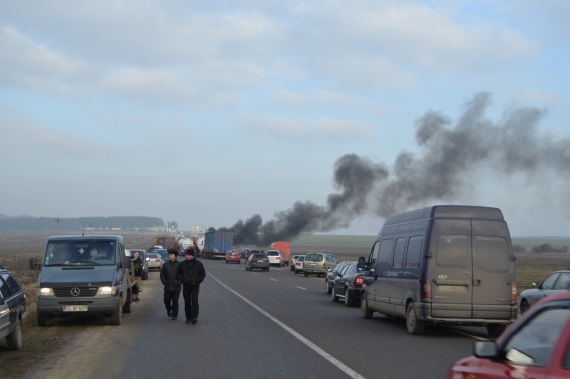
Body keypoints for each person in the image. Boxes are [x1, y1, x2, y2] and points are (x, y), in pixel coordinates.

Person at [176, 248, 206, 324]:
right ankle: (188, 317)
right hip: (186, 286)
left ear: (193, 256)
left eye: (189, 255)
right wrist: (182, 280)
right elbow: (178, 273)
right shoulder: (182, 264)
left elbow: (202, 274)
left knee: (195, 301)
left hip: (195, 286)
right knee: (187, 302)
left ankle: (194, 317)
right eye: (187, 255)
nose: (187, 257)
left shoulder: (198, 264)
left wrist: (197, 281)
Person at [160, 249, 181, 320]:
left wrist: (179, 282)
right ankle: (169, 309)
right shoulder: (166, 264)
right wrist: (164, 282)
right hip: (168, 286)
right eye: (169, 255)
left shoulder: (179, 264)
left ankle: (174, 315)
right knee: (166, 300)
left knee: (175, 301)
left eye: (171, 255)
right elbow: (162, 274)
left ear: (175, 256)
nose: (169, 256)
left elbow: (182, 274)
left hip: (176, 287)